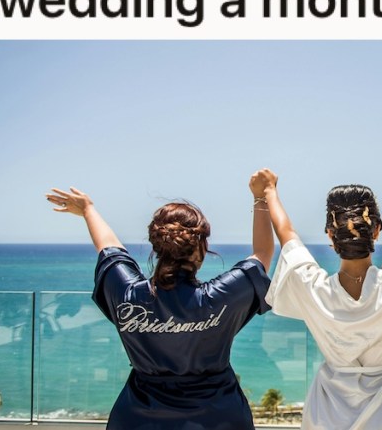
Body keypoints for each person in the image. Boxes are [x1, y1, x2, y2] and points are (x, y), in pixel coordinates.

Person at [259, 106, 382, 430]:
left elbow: (287, 234)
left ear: (329, 234)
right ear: (377, 229)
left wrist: (268, 192)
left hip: (326, 416)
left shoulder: (313, 290)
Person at [45, 182, 275, 430]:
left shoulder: (130, 297)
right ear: (201, 248)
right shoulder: (217, 299)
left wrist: (88, 209)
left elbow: (109, 249)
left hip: (138, 418)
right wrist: (261, 197)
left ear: (157, 246)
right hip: (218, 418)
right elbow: (262, 253)